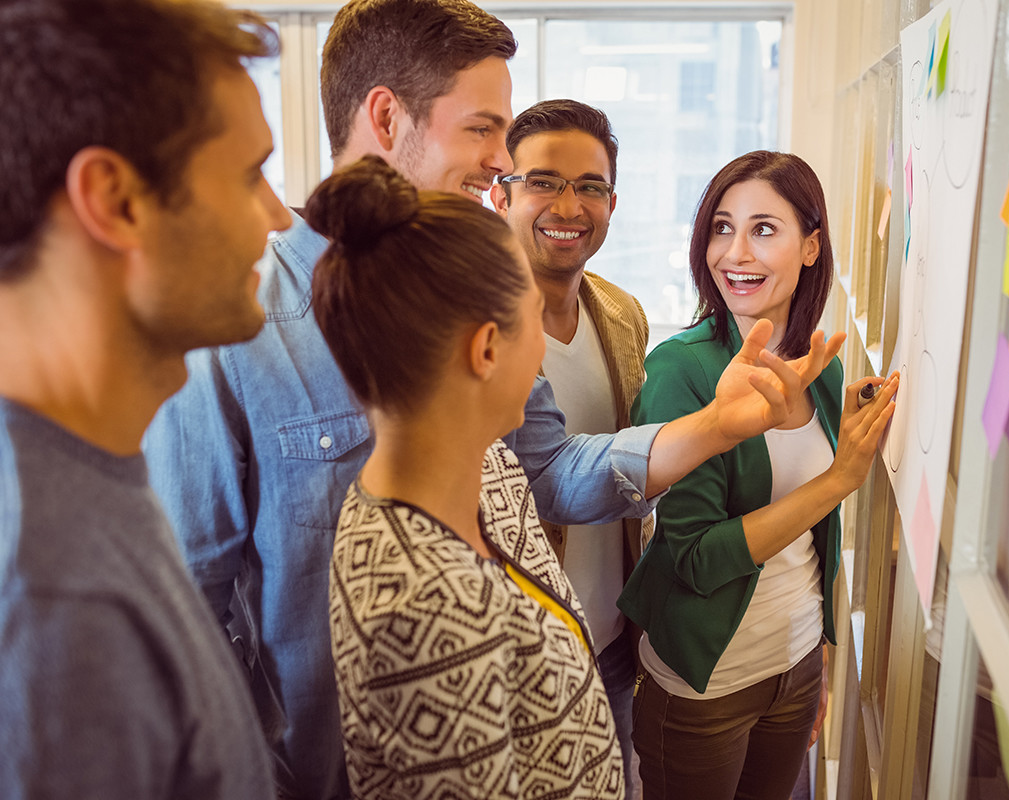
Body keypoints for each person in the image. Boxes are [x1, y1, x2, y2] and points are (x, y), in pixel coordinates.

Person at [143, 2, 826, 796]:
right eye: (483, 129)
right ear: (387, 116)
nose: (502, 160)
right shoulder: (237, 320)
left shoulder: (473, 283)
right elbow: (188, 611)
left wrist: (715, 425)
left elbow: (546, 474)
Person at [0, 0, 291, 796]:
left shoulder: (90, 475)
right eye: (250, 174)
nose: (275, 216)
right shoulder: (55, 595)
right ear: (118, 200)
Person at [314, 155, 623, 800]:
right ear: (486, 350)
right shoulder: (417, 603)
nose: (542, 345)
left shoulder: (491, 465)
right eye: (530, 322)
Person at [617, 151, 899, 800]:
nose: (734, 252)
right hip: (705, 683)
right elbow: (693, 558)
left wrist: (819, 654)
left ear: (811, 246)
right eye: (721, 227)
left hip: (795, 665)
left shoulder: (819, 366)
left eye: (764, 229)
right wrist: (837, 479)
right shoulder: (679, 371)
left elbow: (811, 541)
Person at [492, 98, 647, 793]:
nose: (569, 205)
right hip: (522, 650)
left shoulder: (621, 312)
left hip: (614, 642)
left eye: (590, 187)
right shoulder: (476, 325)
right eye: (544, 181)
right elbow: (547, 480)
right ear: (501, 193)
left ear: (612, 202)